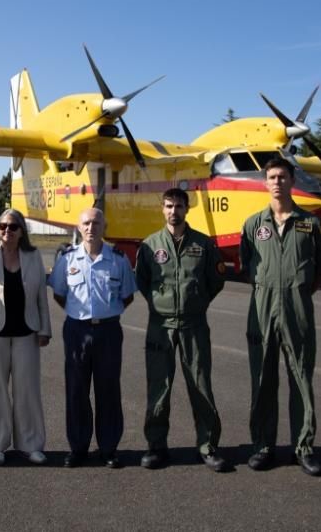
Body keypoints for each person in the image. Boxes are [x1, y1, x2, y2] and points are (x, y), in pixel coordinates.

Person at [239, 157, 321, 476]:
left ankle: (303, 448)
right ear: (265, 183)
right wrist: (269, 291)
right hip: (262, 309)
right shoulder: (252, 225)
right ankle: (263, 446)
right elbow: (247, 264)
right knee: (262, 380)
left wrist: (299, 292)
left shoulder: (311, 223)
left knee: (301, 379)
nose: (277, 182)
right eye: (272, 177)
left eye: (282, 176)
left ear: (292, 181)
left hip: (297, 308)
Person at [135, 188, 228, 472]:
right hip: (160, 326)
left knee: (200, 385)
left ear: (187, 209)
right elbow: (142, 281)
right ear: (162, 209)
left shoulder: (204, 244)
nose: (173, 211)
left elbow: (216, 281)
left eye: (178, 206)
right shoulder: (150, 245)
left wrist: (195, 302)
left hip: (194, 325)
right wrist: (161, 304)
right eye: (168, 206)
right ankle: (156, 446)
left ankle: (208, 446)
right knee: (158, 388)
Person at [49, 207, 136, 468]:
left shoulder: (118, 259)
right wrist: (81, 314)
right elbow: (59, 293)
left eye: (96, 223)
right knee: (76, 390)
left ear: (104, 226)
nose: (90, 227)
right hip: (77, 330)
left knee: (108, 390)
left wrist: (104, 314)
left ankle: (108, 448)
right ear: (78, 227)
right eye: (86, 223)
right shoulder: (67, 259)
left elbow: (127, 295)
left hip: (108, 330)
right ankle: (78, 448)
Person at [0, 209, 52, 466]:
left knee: (27, 390)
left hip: (27, 333)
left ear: (21, 230)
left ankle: (31, 444)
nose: (7, 231)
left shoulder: (34, 256)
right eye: (2, 226)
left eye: (13, 226)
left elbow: (41, 297)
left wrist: (45, 328)